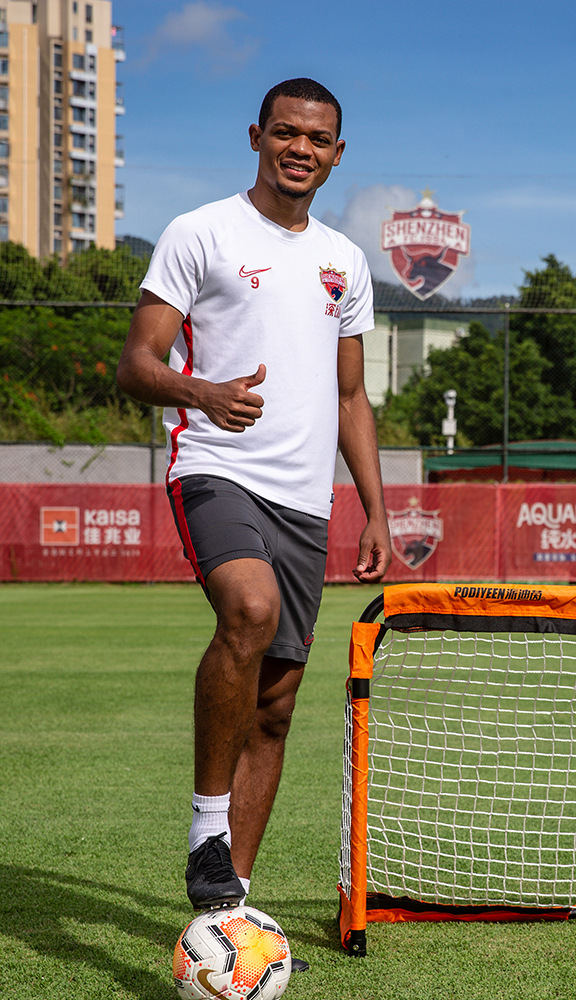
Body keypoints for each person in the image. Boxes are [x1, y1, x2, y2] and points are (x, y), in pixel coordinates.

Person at [116, 78, 392, 966]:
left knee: (276, 709)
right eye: (285, 133)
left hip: (307, 503)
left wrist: (377, 511)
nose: (300, 148)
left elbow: (352, 396)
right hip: (216, 467)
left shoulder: (347, 261)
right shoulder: (202, 232)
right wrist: (200, 393)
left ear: (338, 154)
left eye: (317, 138)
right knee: (248, 609)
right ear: (257, 137)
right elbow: (137, 363)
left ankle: (230, 922)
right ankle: (206, 834)